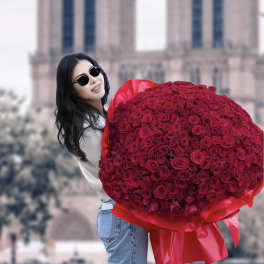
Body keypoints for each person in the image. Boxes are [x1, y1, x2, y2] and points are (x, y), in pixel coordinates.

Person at [54, 52, 148, 263]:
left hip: (124, 215)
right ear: (73, 91)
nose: (94, 80)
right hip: (121, 215)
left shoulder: (105, 114)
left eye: (94, 71)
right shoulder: (86, 128)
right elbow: (117, 171)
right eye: (83, 80)